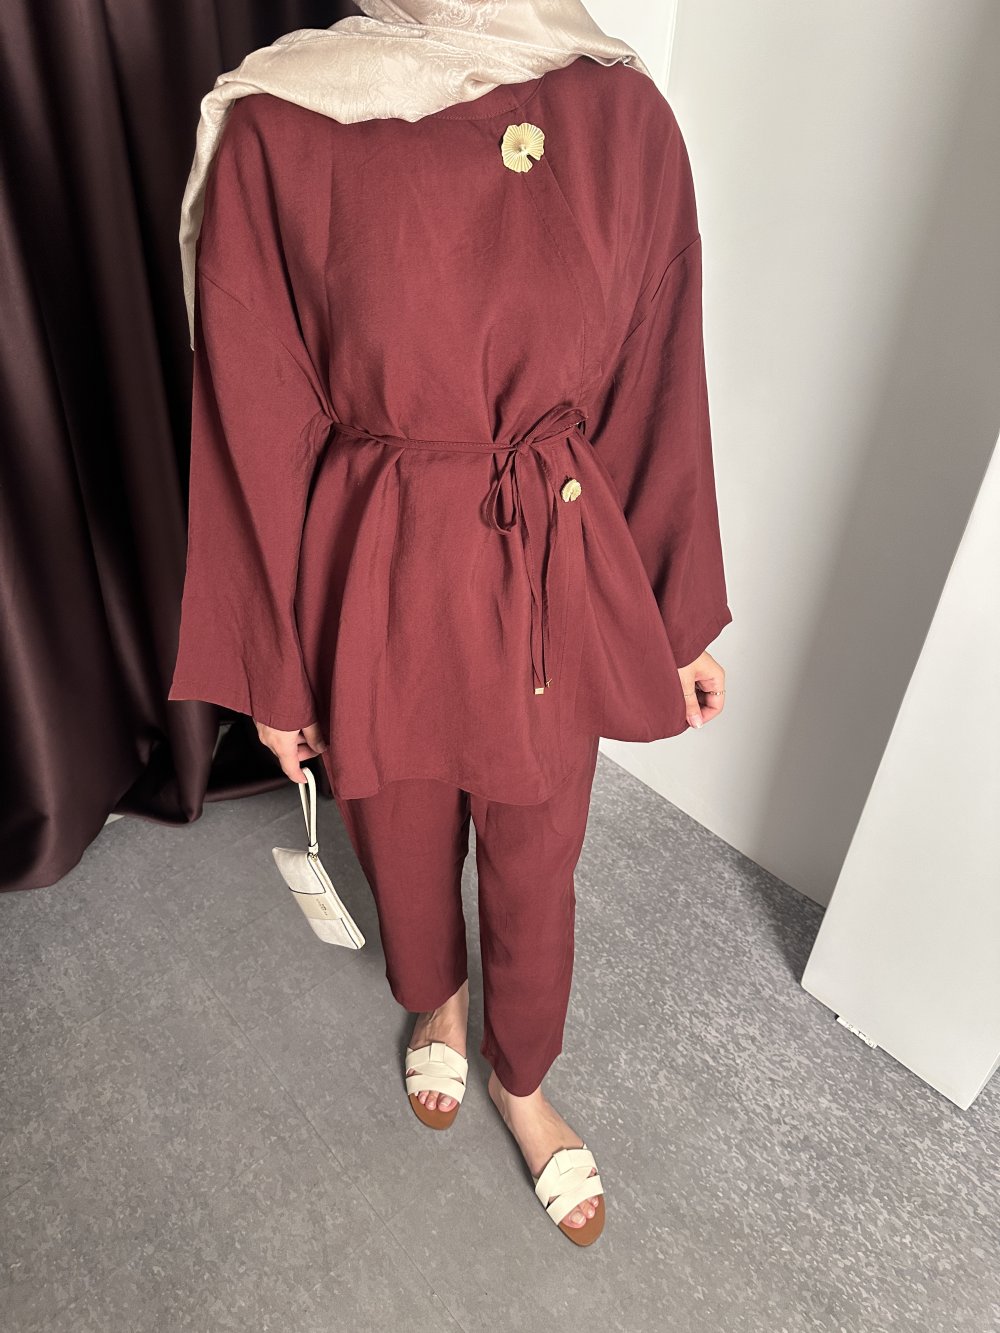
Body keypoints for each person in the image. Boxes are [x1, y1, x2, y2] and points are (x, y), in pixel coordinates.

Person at [168, 1, 731, 1247]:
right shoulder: (284, 119)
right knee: (398, 820)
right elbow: (253, 416)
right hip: (378, 553)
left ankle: (521, 1076)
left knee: (538, 845)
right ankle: (436, 997)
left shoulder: (619, 112)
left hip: (553, 553)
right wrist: (275, 670)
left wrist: (674, 615)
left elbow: (657, 381)